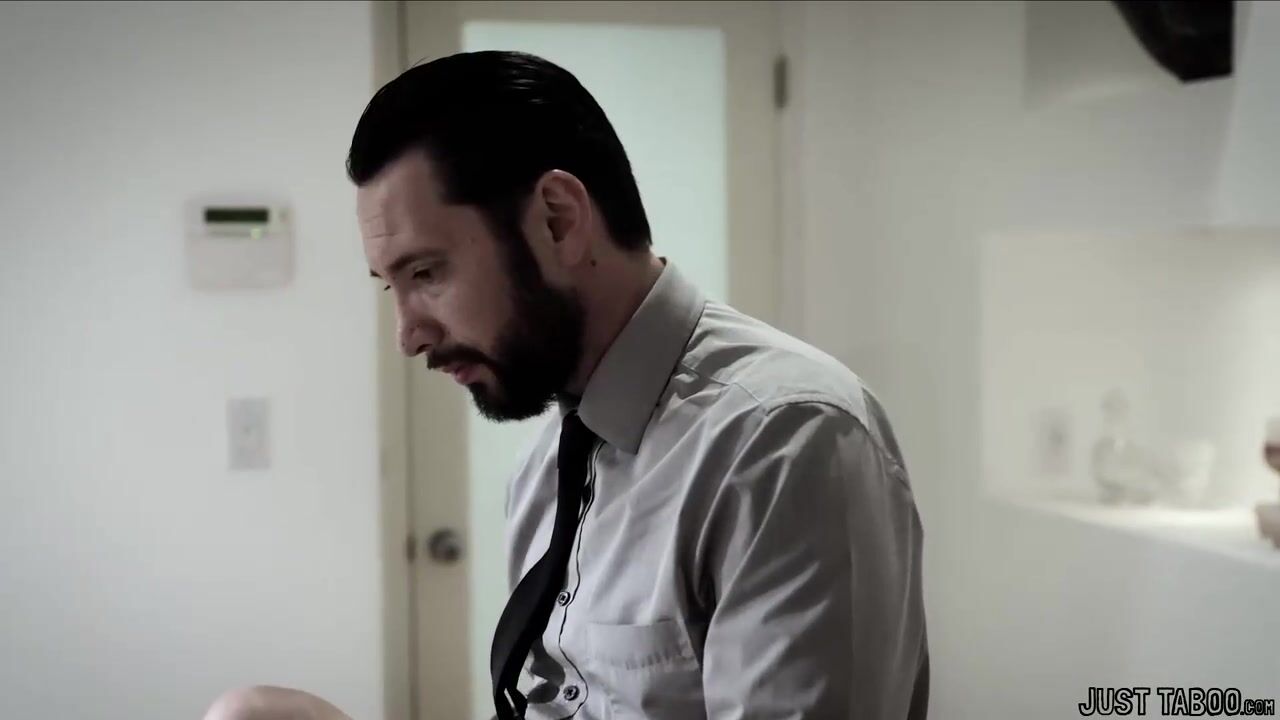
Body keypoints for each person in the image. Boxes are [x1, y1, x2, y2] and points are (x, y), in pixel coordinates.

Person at [206, 50, 928, 720]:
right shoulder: (547, 465)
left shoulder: (785, 441)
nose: (409, 334)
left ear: (557, 220)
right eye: (391, 285)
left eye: (426, 272)